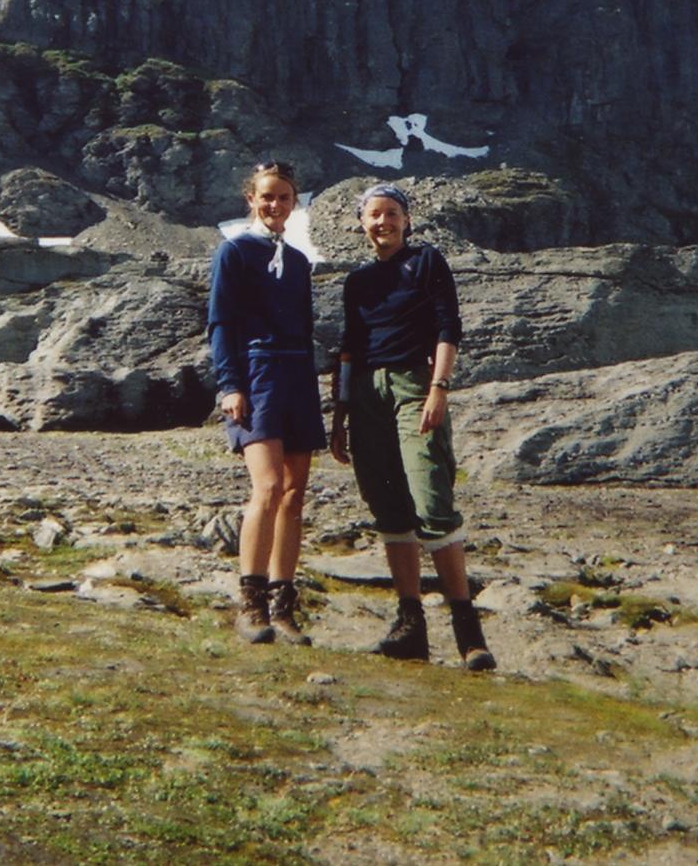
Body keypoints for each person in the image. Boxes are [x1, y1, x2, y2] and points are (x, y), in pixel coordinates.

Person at [331, 184, 494, 670]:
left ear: (406, 220)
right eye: (374, 215)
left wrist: (438, 388)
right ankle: (410, 627)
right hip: (365, 394)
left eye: (392, 213)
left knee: (432, 501)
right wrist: (339, 418)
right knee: (389, 508)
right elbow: (348, 349)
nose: (383, 222)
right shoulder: (357, 282)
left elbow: (448, 327)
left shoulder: (426, 262)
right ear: (362, 223)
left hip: (413, 385)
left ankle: (469, 634)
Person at [207, 161, 326, 645]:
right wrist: (229, 384)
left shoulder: (297, 261)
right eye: (266, 197)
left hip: (297, 374)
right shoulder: (233, 252)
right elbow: (220, 324)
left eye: (284, 197)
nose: (275, 205)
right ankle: (250, 603)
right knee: (269, 486)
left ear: (294, 203)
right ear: (251, 201)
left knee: (295, 495)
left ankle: (283, 606)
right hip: (257, 375)